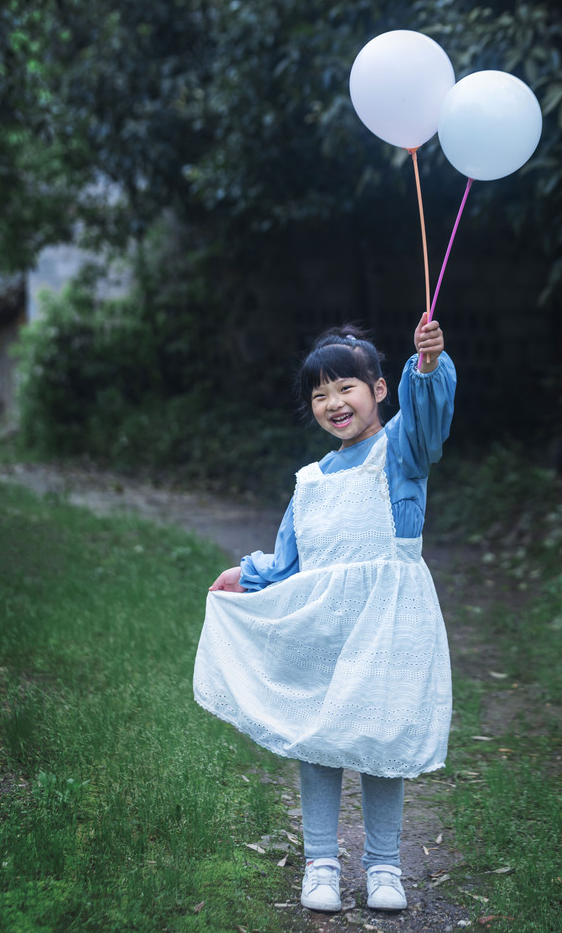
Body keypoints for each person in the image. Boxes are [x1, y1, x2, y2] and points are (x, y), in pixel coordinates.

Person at [193, 313, 457, 913]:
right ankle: (320, 863)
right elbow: (291, 556)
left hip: (388, 618)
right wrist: (248, 574)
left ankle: (385, 865)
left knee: (378, 732)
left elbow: (429, 420)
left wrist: (429, 366)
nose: (334, 402)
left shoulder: (401, 452)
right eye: (320, 394)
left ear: (379, 391)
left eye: (346, 388)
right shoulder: (309, 480)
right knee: (320, 736)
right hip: (326, 623)